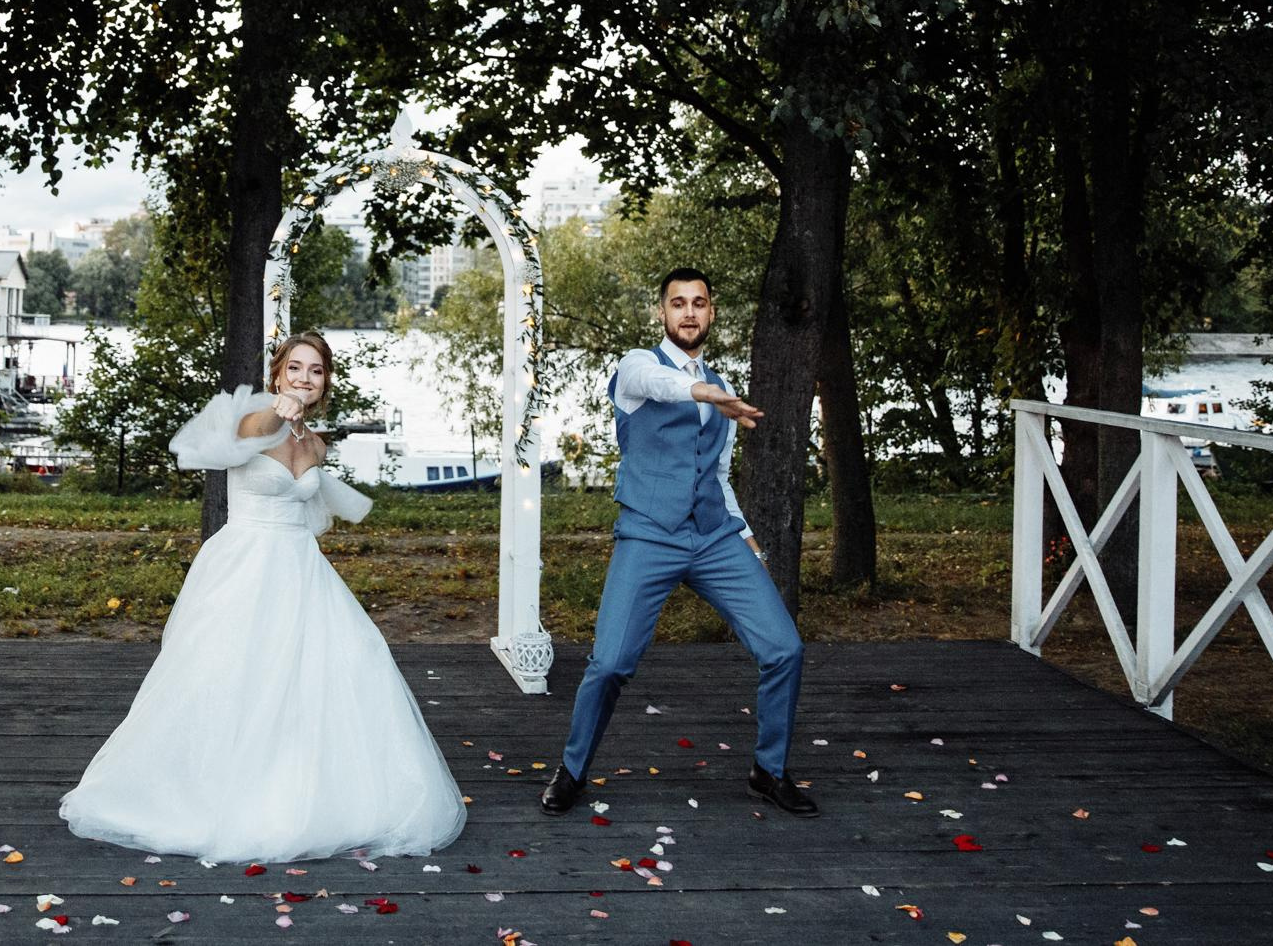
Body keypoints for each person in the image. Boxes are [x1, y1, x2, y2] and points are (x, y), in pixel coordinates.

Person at [60, 333, 466, 863]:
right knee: (232, 673)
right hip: (246, 567)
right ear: (277, 374)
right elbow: (257, 430)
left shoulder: (315, 444)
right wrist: (280, 407)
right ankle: (207, 792)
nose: (304, 377)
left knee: (337, 668)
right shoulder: (254, 422)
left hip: (301, 570)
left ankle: (308, 791)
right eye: (295, 367)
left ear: (326, 382)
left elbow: (310, 511)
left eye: (316, 370)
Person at [540, 268, 816, 817]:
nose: (689, 312)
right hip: (649, 534)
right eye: (678, 303)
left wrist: (750, 542)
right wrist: (701, 392)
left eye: (699, 303)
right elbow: (659, 385)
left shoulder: (721, 390)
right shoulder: (636, 368)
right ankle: (571, 771)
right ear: (662, 312)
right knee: (610, 663)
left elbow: (718, 475)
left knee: (784, 648)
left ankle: (769, 770)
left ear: (711, 312)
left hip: (714, 537)